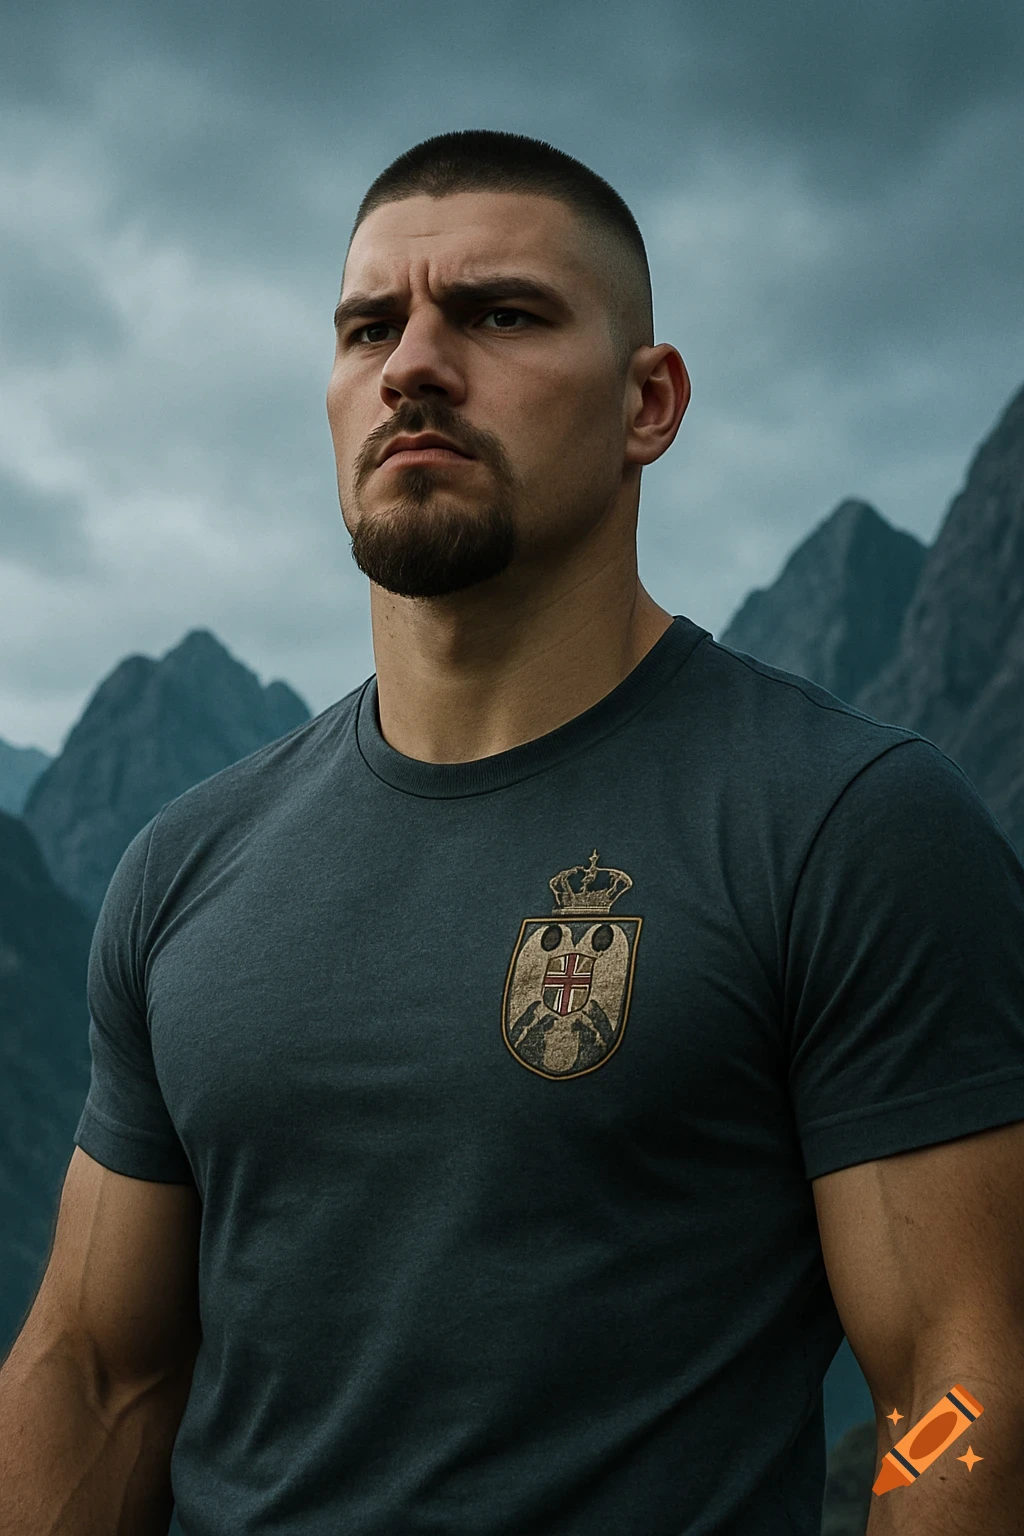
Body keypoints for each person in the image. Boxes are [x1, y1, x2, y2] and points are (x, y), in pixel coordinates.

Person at [2, 129, 1023, 1536]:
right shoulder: (185, 870)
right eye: (370, 327)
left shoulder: (847, 828)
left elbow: (963, 1392)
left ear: (647, 403)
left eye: (499, 313)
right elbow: (97, 1376)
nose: (413, 362)